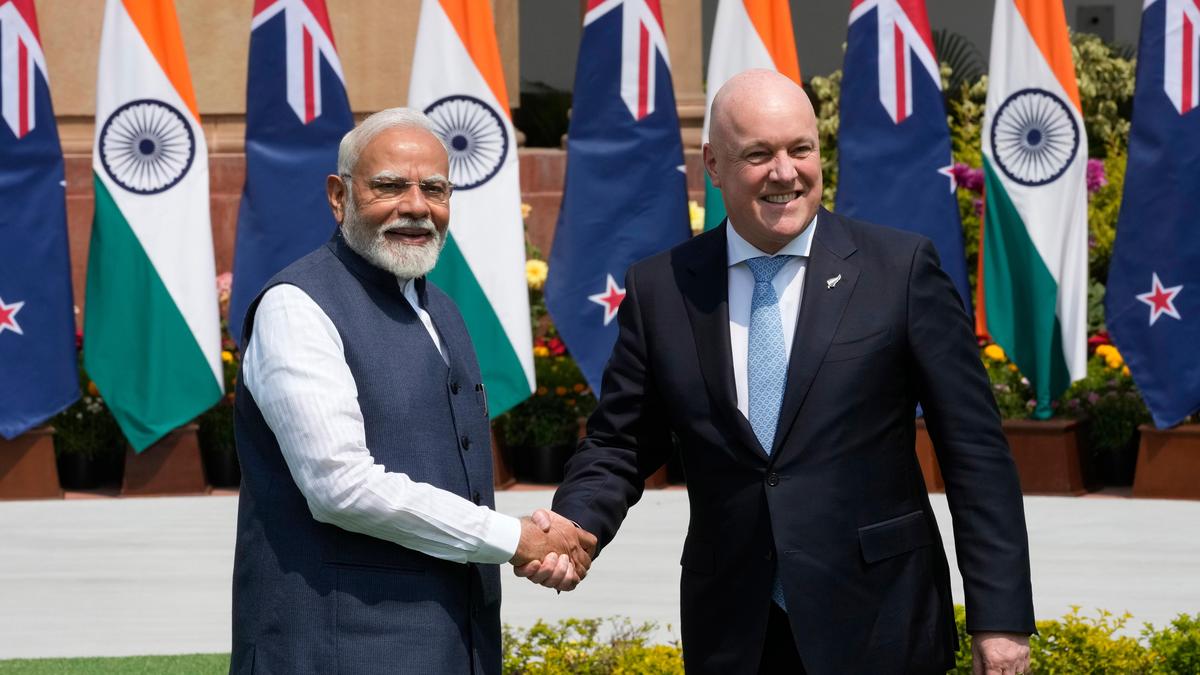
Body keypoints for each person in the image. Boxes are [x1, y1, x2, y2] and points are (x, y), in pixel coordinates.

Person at [516, 70, 1035, 674]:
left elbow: (974, 452)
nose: (785, 172)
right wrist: (575, 524)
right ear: (714, 165)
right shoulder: (663, 288)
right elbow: (621, 442)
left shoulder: (900, 270)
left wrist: (1000, 618)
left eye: (800, 149)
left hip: (883, 623)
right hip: (735, 632)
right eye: (758, 154)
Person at [228, 108, 594, 675]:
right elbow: (339, 486)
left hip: (453, 645)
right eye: (390, 186)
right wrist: (514, 538)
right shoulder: (296, 307)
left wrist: (530, 538)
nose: (417, 206)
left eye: (435, 189)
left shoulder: (440, 309)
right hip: (332, 651)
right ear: (339, 196)